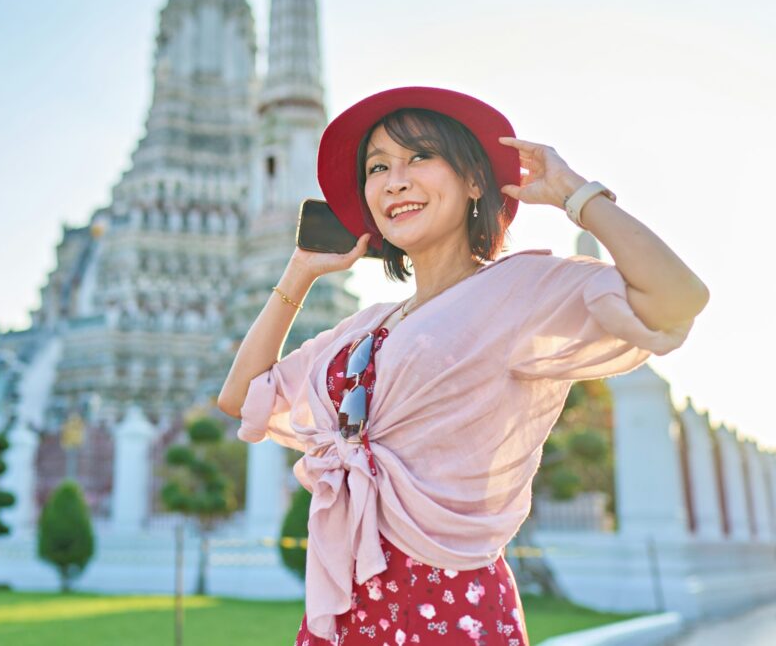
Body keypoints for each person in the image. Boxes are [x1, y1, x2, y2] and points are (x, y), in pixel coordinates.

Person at [217, 86, 708, 646]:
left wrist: (576, 193)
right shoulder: (363, 327)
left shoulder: (518, 290)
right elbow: (242, 397)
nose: (395, 179)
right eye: (378, 167)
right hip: (347, 608)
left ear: (475, 181)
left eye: (420, 156)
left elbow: (678, 298)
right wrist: (299, 271)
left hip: (450, 606)